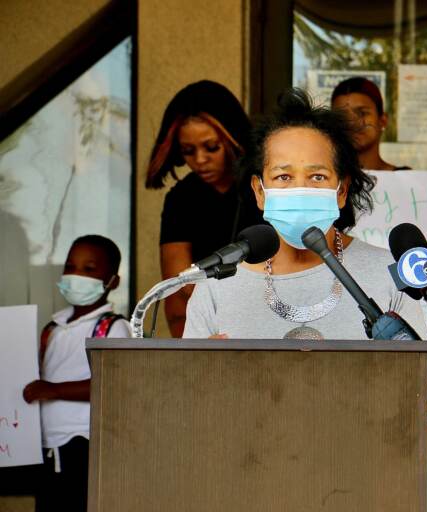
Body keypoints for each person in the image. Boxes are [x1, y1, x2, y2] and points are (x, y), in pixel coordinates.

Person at [183, 88, 424, 340]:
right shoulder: (217, 286)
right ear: (259, 191)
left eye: (317, 177)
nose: (300, 190)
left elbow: (419, 374)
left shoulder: (387, 275)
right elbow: (188, 378)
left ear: (342, 190)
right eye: (283, 177)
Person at [145, 80, 263, 337]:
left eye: (211, 147)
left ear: (232, 138)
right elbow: (179, 285)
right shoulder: (181, 198)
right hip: (205, 328)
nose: (199, 160)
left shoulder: (265, 185)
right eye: (188, 151)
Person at [22, 235, 130, 512]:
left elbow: (114, 385)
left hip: (84, 444)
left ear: (112, 282)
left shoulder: (113, 328)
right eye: (70, 266)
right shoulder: (53, 328)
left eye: (89, 269)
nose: (75, 275)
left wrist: (54, 390)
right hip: (47, 445)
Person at [331, 77, 410, 171]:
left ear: (382, 121)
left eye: (362, 113)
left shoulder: (406, 180)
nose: (351, 122)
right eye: (342, 116)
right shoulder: (323, 180)